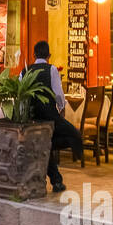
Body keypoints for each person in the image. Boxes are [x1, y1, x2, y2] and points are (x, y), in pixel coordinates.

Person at [21, 41, 73, 193]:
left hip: (30, 117)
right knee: (47, 145)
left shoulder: (25, 70)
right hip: (47, 116)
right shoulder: (51, 70)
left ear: (34, 54)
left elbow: (20, 94)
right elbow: (58, 93)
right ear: (49, 56)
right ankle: (56, 180)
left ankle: (54, 180)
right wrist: (61, 109)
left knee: (42, 146)